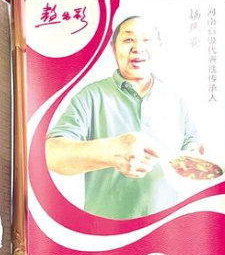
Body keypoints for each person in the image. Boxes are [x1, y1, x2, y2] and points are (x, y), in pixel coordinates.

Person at [45, 15, 202, 220]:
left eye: (146, 40)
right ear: (113, 48)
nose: (138, 48)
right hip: (106, 229)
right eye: (128, 40)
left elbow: (191, 144)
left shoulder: (176, 99)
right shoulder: (91, 96)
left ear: (159, 46)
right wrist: (110, 151)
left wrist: (194, 157)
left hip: (167, 227)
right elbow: (51, 154)